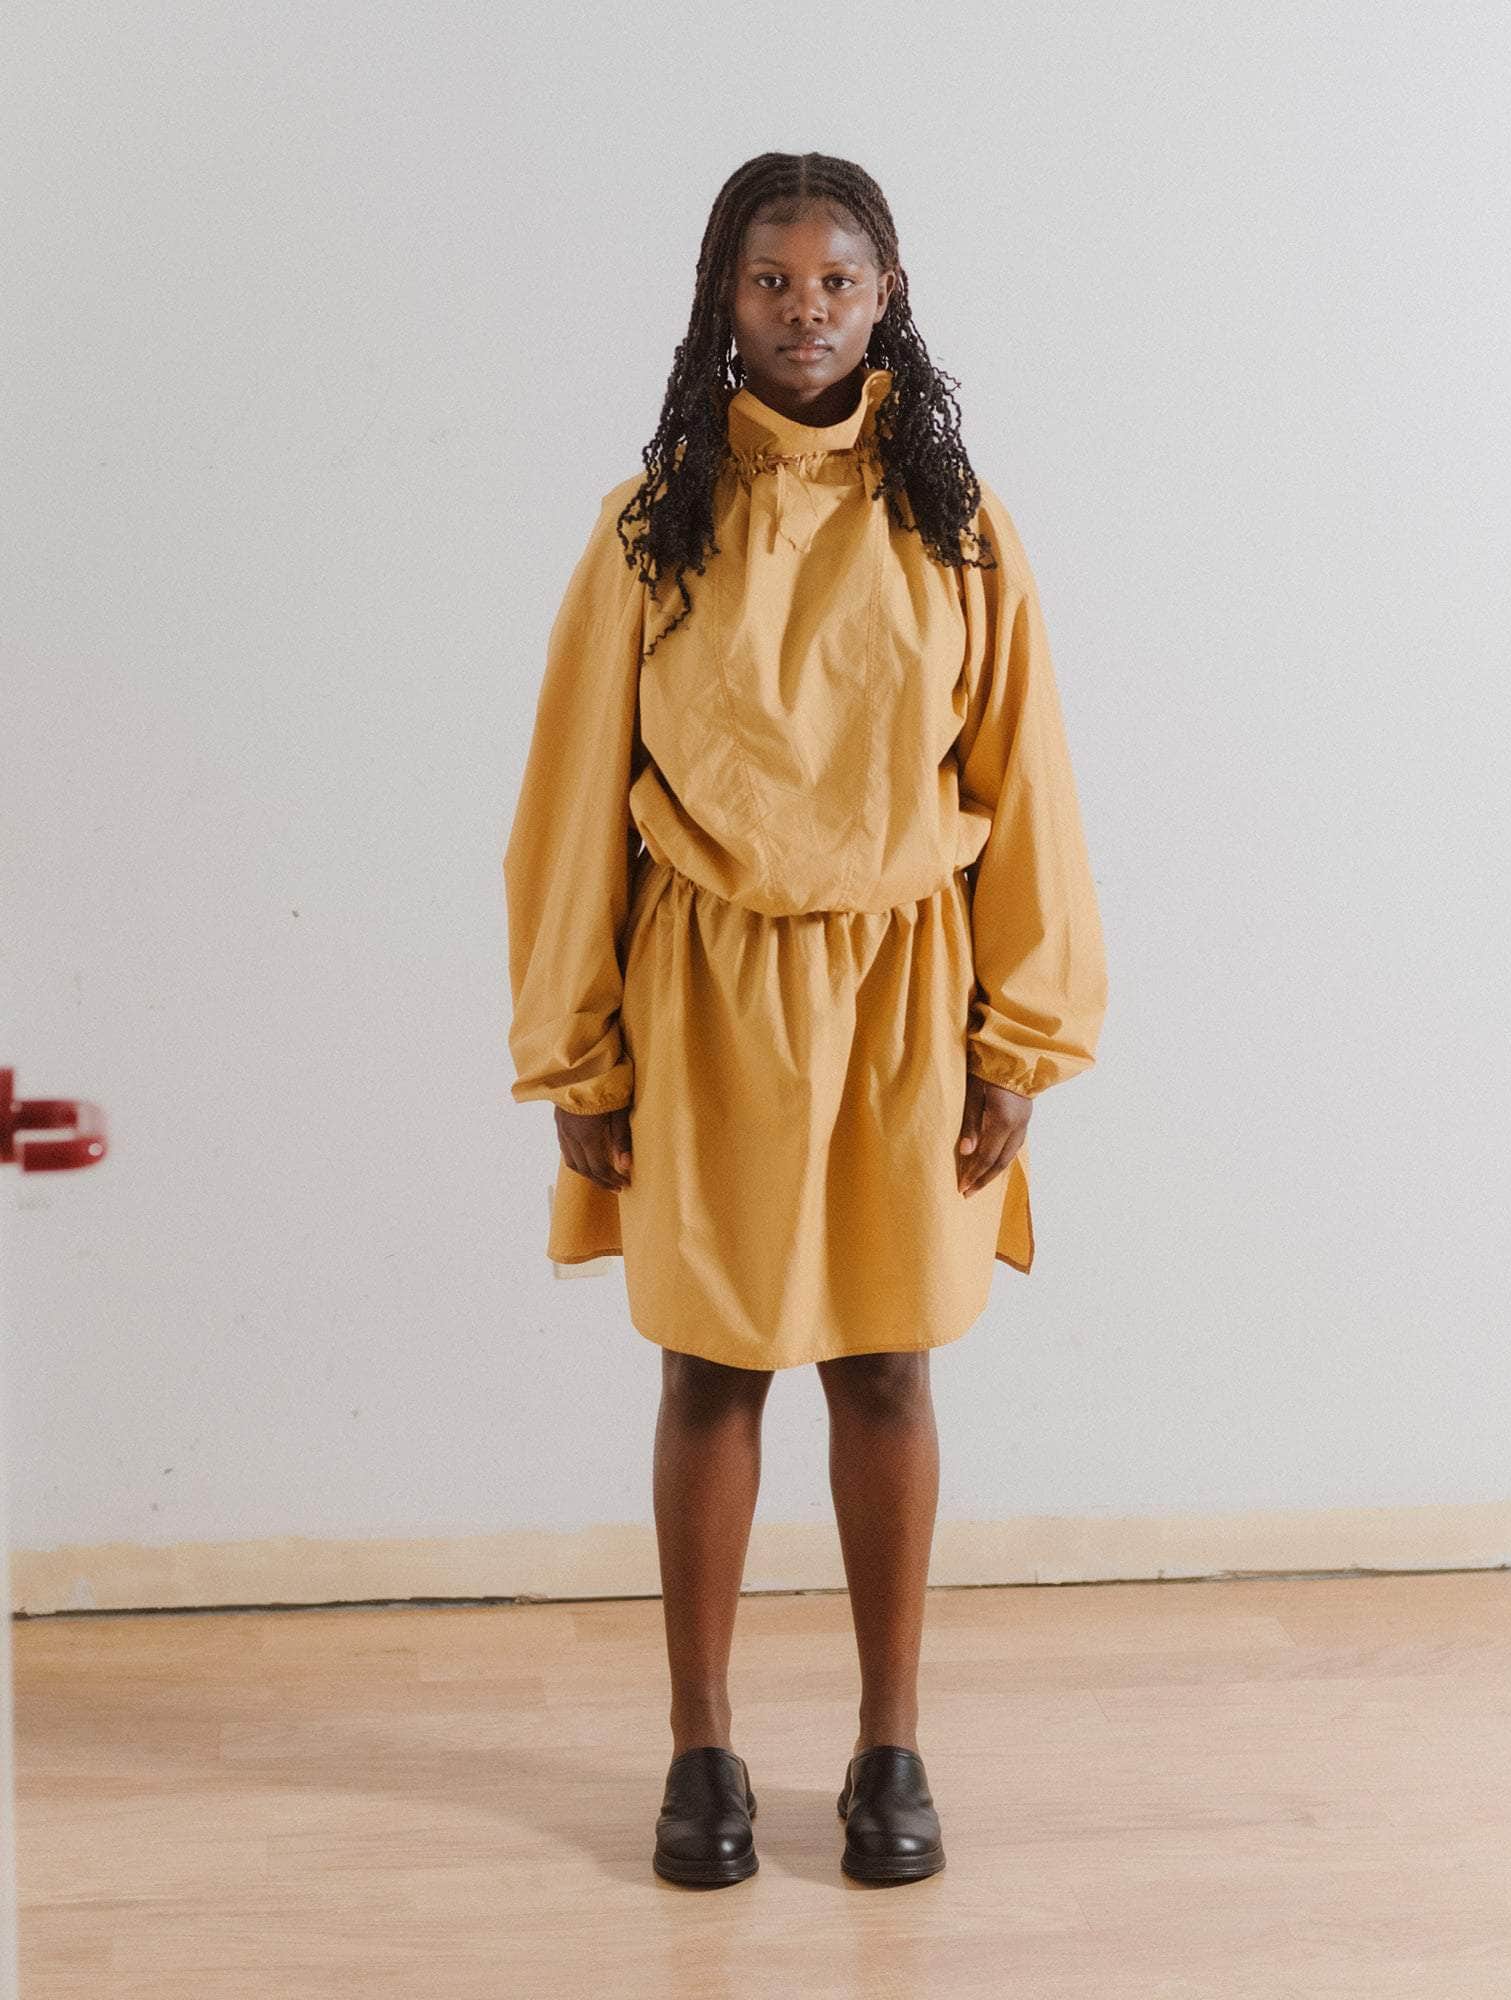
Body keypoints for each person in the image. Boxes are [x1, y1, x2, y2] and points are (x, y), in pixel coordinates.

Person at [502, 152, 1108, 1889]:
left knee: (887, 1358)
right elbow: (571, 802)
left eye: (838, 280)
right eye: (772, 281)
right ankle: (701, 1749)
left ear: (887, 294)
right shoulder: (651, 528)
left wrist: (1021, 1037)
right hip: (708, 990)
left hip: (908, 988)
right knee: (712, 1360)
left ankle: (888, 1743)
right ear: (725, 298)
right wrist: (577, 1047)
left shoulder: (956, 527)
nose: (806, 312)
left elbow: (1026, 784)